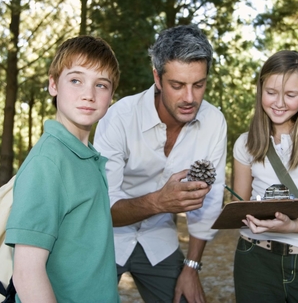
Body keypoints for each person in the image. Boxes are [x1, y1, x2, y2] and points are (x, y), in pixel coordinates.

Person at [94, 24, 227, 303]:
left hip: (159, 239)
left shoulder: (214, 122)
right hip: (105, 238)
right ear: (157, 77)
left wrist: (191, 267)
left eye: (198, 85)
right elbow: (101, 207)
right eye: (177, 85)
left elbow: (209, 205)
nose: (190, 98)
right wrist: (159, 202)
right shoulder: (119, 117)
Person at [5, 36, 120, 303]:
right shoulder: (49, 162)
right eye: (76, 80)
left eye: (101, 85)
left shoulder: (86, 157)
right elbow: (26, 273)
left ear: (111, 96)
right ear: (53, 84)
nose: (88, 94)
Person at [232, 50, 298, 302]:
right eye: (270, 93)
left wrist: (291, 226)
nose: (279, 103)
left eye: (290, 95)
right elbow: (240, 204)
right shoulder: (245, 143)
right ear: (260, 90)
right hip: (254, 258)